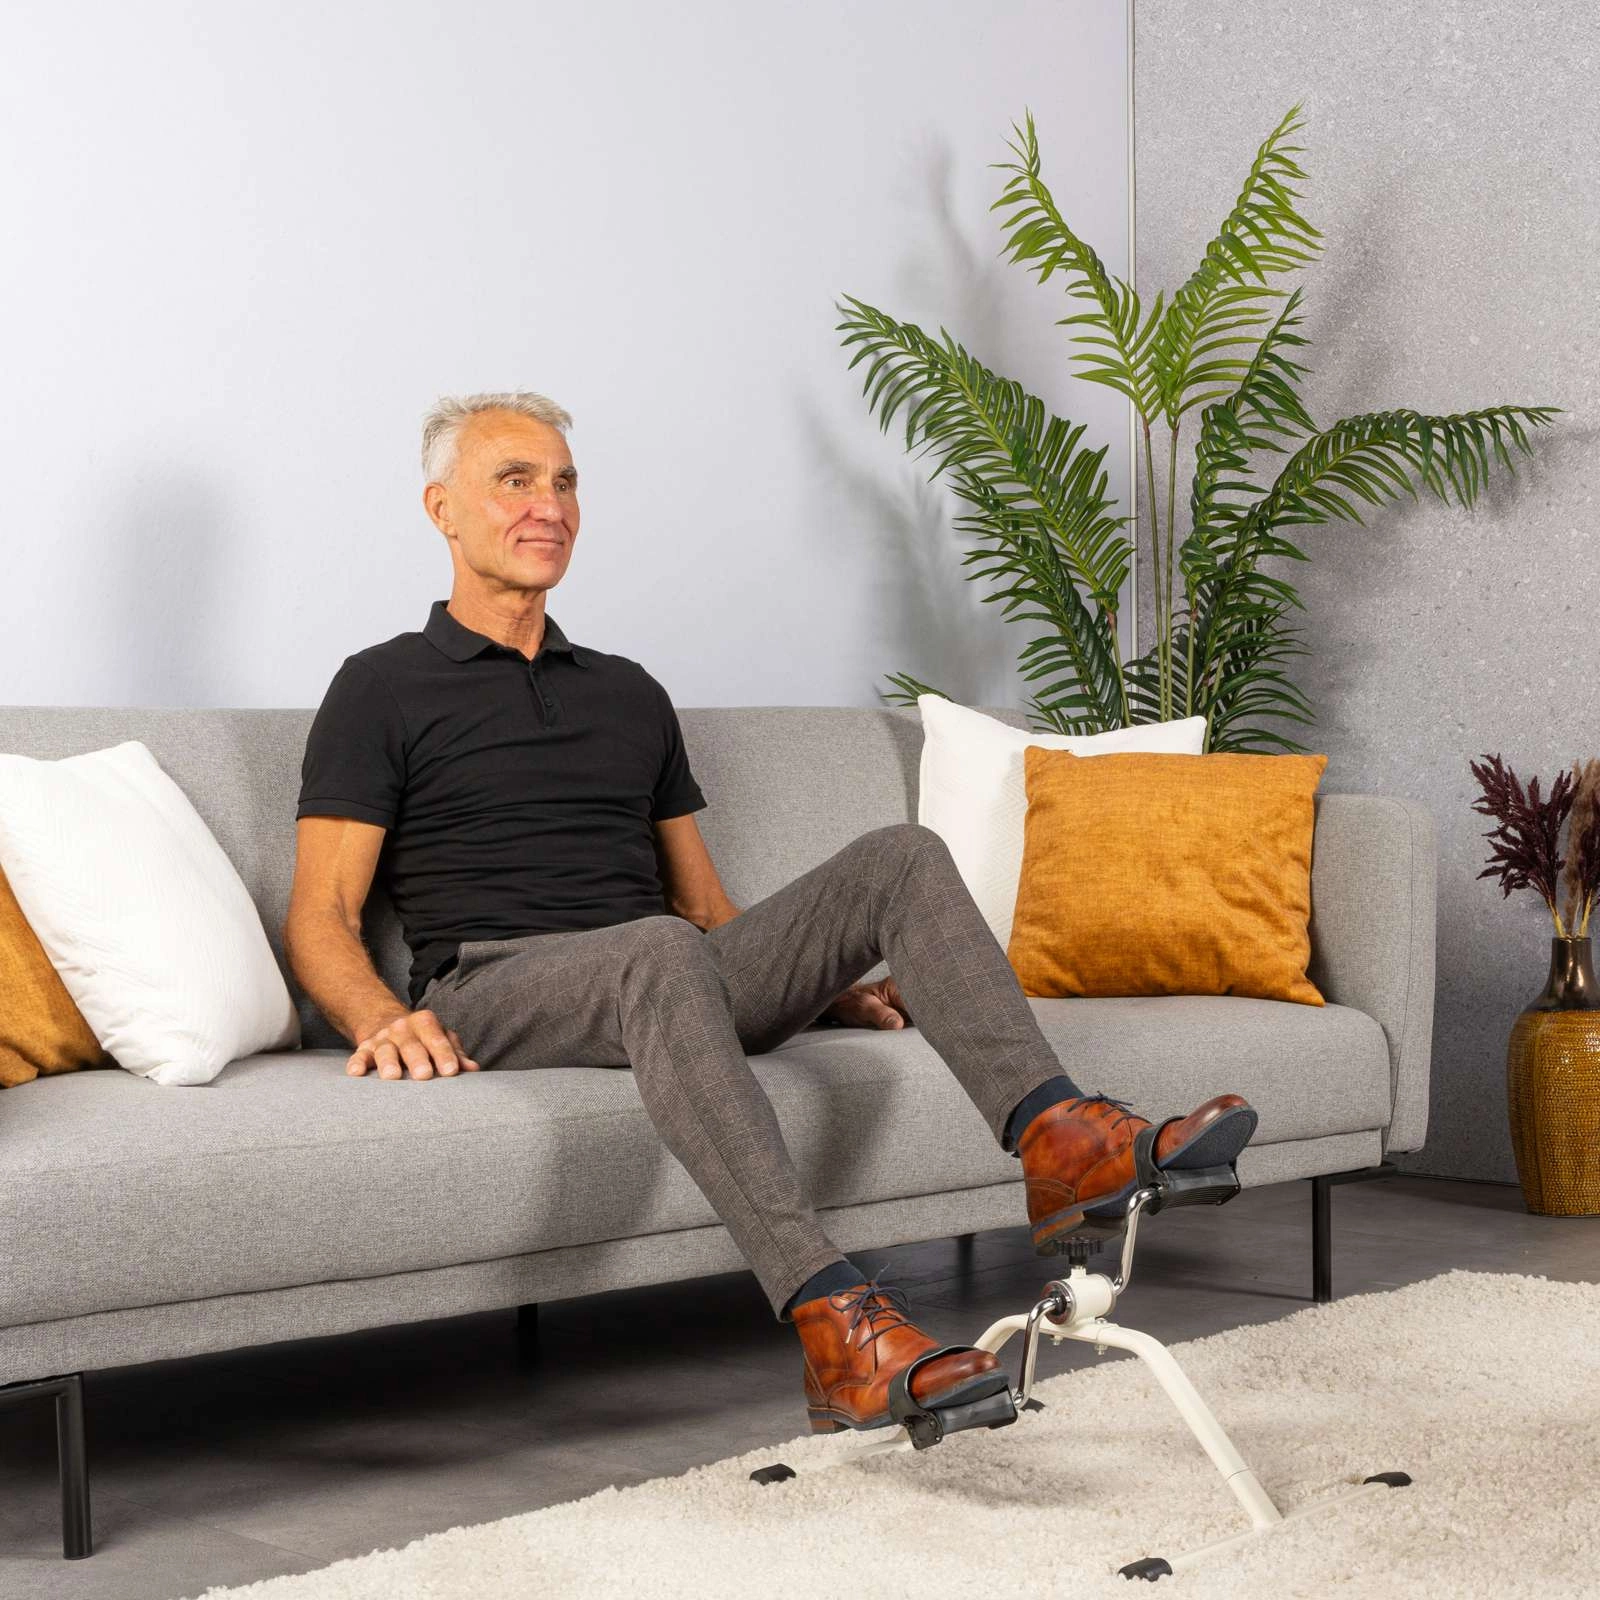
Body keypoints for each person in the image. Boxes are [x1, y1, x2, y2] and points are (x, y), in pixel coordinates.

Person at [284, 391, 1258, 1435]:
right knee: (659, 951)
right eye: (513, 481)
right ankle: (835, 1325)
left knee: (899, 856)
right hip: (496, 984)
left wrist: (821, 988)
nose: (548, 505)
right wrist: (381, 1019)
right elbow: (320, 912)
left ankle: (1063, 1142)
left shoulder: (627, 693)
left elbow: (703, 908)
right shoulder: (380, 687)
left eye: (563, 482)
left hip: (663, 969)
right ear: (442, 509)